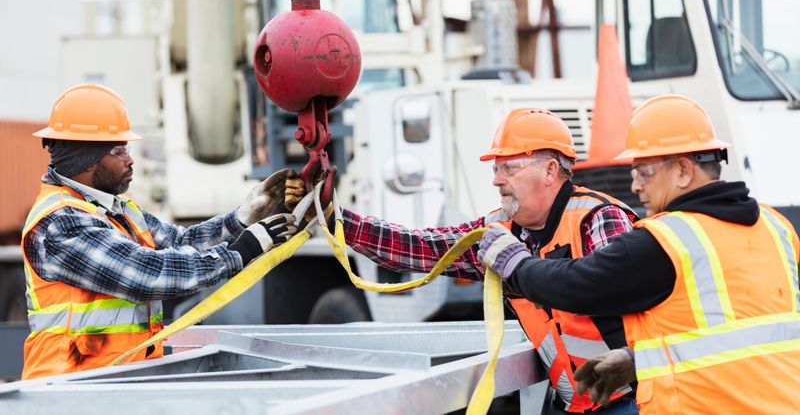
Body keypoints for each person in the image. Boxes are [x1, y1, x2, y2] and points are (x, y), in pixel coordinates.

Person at [288, 108, 639, 414]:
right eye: (497, 168)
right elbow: (423, 248)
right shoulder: (499, 230)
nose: (497, 180)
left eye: (509, 168)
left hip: (631, 400)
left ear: (550, 171)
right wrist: (334, 218)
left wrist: (518, 264)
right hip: (572, 404)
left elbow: (613, 294)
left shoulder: (599, 218)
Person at [478, 94, 800, 413]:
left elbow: (578, 286)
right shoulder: (777, 228)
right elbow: (734, 338)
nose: (634, 186)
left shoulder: (666, 241)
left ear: (684, 171)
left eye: (643, 172)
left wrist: (514, 262)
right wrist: (638, 361)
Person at [21, 84, 296, 379]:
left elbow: (181, 242)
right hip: (67, 390)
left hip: (112, 381)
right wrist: (240, 253)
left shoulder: (117, 209)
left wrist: (242, 218)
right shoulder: (62, 222)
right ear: (86, 160)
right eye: (118, 150)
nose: (130, 159)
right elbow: (147, 275)